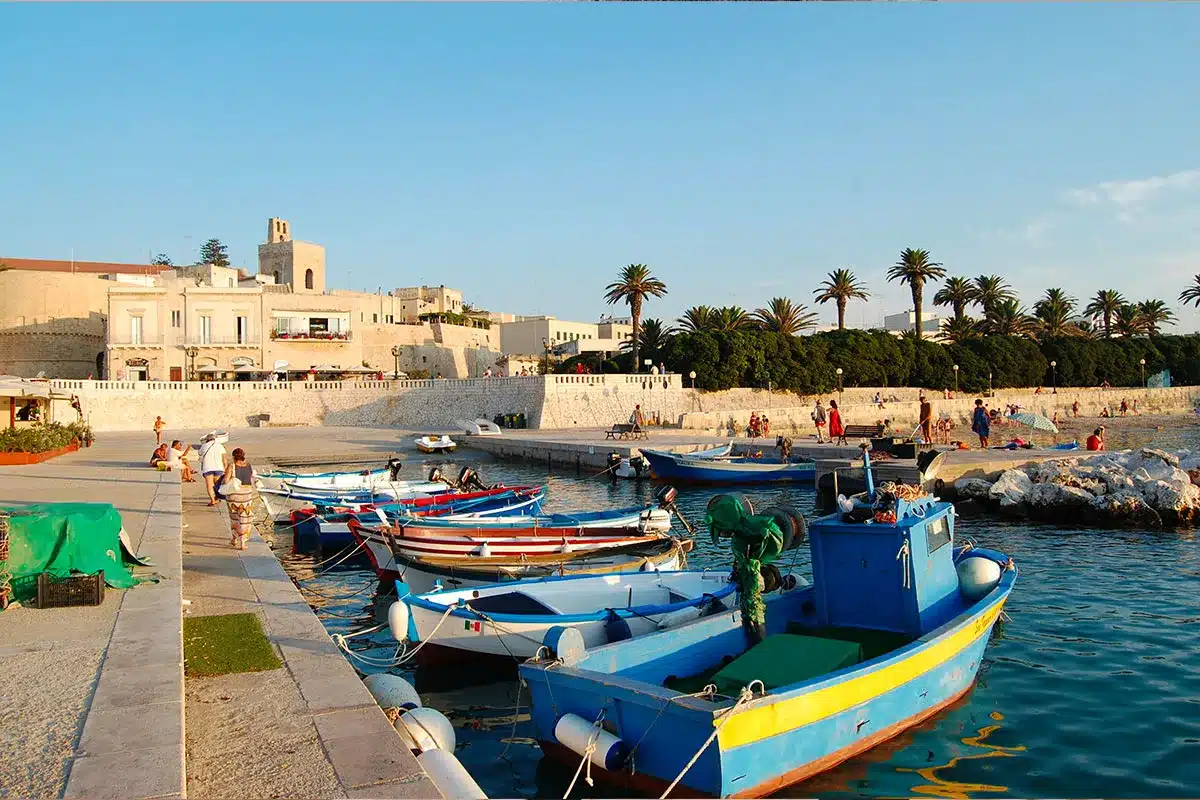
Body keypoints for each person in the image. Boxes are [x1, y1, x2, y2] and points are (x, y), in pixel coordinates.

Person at [221, 447, 258, 550]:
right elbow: (251, 480)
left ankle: (234, 539)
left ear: (234, 457)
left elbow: (225, 480)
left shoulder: (231, 466)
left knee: (234, 518)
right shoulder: (249, 466)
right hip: (246, 496)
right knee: (244, 519)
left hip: (234, 496)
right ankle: (243, 543)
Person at [198, 433, 229, 506]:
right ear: (214, 439)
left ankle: (212, 500)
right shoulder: (220, 446)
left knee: (209, 485)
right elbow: (224, 459)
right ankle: (217, 498)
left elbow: (200, 453)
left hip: (207, 467)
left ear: (207, 440)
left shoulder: (204, 446)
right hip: (218, 467)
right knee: (217, 484)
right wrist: (225, 468)